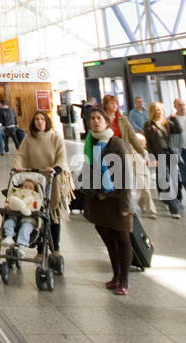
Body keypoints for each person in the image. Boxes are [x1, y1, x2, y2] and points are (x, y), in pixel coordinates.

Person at [81, 105, 135, 296]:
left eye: (99, 118)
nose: (95, 121)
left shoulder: (115, 143)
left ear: (106, 122)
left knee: (122, 238)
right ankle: (116, 275)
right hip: (98, 199)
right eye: (92, 118)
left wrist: (126, 205)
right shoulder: (90, 142)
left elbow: (125, 175)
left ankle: (125, 279)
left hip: (116, 198)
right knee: (109, 240)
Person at [13, 109, 74, 255]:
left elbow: (61, 157)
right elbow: (20, 154)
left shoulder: (55, 138)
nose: (40, 122)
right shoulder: (29, 139)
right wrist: (17, 165)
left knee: (52, 215)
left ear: (46, 121)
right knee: (37, 215)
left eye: (42, 119)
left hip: (51, 181)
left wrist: (55, 168)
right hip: (34, 183)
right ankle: (41, 249)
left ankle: (56, 248)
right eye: (36, 120)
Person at [143, 102, 181, 218]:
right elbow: (148, 143)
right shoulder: (148, 125)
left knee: (176, 179)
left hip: (171, 153)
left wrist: (174, 119)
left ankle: (172, 199)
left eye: (161, 109)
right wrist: (152, 157)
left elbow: (178, 130)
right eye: (157, 110)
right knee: (165, 179)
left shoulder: (167, 123)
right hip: (159, 154)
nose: (159, 112)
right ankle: (174, 208)